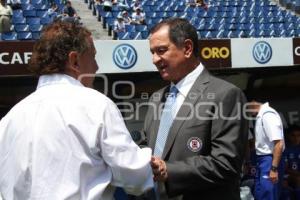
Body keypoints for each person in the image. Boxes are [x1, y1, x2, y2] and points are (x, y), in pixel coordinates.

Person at [0, 21, 153, 200]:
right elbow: (134, 177)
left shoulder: (9, 119)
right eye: (93, 57)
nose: (96, 67)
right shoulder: (96, 104)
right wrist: (149, 159)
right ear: (74, 60)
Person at [144, 18, 248, 200]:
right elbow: (148, 146)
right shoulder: (156, 98)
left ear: (187, 48)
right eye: (152, 53)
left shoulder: (226, 94)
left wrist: (169, 170)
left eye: (161, 51)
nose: (154, 59)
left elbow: (226, 164)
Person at [248, 101, 285, 200]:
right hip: (262, 160)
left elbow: (279, 143)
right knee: (260, 195)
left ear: (252, 102)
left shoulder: (268, 115)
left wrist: (273, 169)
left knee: (269, 195)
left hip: (270, 160)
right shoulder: (261, 115)